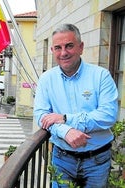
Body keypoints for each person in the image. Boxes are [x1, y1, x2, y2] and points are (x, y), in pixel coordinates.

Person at [33, 23, 118, 187]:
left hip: (98, 160)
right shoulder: (46, 79)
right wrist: (66, 131)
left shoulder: (101, 76)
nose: (63, 52)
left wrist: (66, 118)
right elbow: (41, 116)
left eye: (69, 46)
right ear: (52, 51)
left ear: (81, 47)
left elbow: (108, 116)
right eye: (58, 47)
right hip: (62, 159)